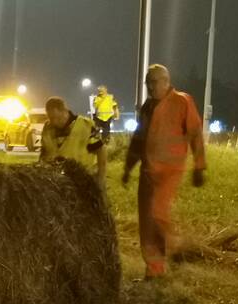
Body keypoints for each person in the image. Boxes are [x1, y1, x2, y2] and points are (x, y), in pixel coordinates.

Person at [122, 64, 206, 279]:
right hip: (148, 171)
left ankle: (177, 248)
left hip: (170, 170)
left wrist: (199, 166)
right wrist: (128, 168)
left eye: (154, 82)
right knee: (147, 223)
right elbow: (138, 140)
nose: (150, 87)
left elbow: (196, 134)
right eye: (147, 83)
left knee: (157, 212)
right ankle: (154, 270)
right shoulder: (147, 107)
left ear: (166, 81)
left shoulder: (182, 102)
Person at [40, 96, 107, 187]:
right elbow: (43, 154)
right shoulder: (47, 129)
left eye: (57, 118)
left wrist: (101, 176)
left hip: (81, 183)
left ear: (65, 111)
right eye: (51, 119)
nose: (54, 122)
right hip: (54, 184)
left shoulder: (85, 125)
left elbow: (100, 150)